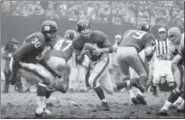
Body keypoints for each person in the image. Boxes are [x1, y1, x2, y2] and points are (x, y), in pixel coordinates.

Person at [9, 20, 67, 117]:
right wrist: (14, 75)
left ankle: (42, 107)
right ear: (47, 32)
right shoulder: (39, 40)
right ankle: (40, 110)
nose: (54, 35)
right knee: (44, 79)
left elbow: (40, 59)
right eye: (52, 32)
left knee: (50, 81)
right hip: (20, 63)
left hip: (27, 62)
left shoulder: (43, 40)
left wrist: (54, 72)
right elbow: (17, 55)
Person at [114, 24, 156, 105]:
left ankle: (132, 96)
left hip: (119, 51)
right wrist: (150, 54)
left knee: (125, 76)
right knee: (143, 74)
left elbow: (116, 45)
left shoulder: (129, 31)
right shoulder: (148, 35)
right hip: (132, 50)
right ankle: (140, 94)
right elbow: (148, 51)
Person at [159, 27, 184, 115]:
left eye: (172, 36)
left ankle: (180, 105)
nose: (170, 39)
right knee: (181, 86)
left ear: (178, 35)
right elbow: (175, 60)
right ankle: (165, 107)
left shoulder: (183, 40)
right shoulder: (172, 45)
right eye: (169, 37)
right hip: (179, 65)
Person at [149, 27, 177, 96]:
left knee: (170, 77)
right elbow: (150, 50)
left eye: (163, 33)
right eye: (161, 33)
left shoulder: (169, 41)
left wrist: (174, 53)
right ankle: (154, 88)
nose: (162, 34)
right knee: (156, 78)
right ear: (159, 34)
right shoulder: (155, 42)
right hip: (158, 62)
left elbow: (174, 50)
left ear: (165, 33)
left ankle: (173, 95)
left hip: (167, 62)